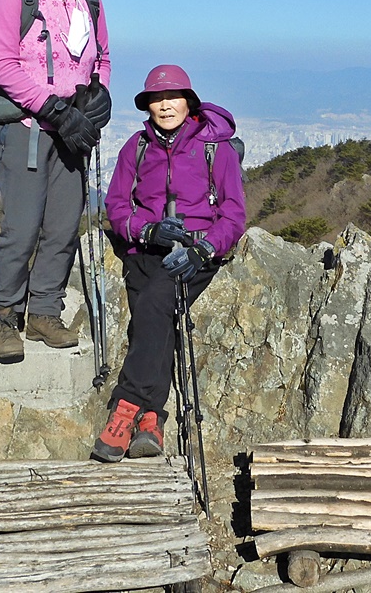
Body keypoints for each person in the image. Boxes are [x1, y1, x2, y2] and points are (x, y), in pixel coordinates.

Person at [94, 65, 246, 462]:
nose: (165, 106)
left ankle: (126, 407)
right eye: (157, 99)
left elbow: (234, 215)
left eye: (172, 97)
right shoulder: (137, 146)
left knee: (155, 302)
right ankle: (152, 421)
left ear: (188, 102)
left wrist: (203, 249)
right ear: (147, 106)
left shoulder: (216, 147)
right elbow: (116, 205)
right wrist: (147, 231)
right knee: (152, 320)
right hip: (145, 250)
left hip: (193, 253)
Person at [0, 0, 112, 364]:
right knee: (21, 226)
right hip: (27, 127)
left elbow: (102, 58)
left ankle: (43, 313)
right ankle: (4, 316)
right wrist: (54, 109)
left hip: (72, 129)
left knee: (62, 226)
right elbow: (1, 65)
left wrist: (99, 97)